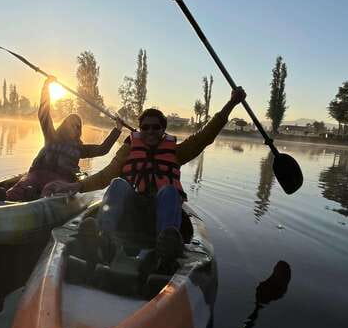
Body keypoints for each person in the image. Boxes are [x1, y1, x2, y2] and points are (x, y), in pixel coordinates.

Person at [42, 87, 246, 266]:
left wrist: (231, 104)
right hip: (134, 209)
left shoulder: (175, 151)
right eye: (145, 127)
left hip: (161, 211)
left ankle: (165, 250)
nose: (150, 131)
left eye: (155, 127)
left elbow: (205, 136)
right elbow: (106, 175)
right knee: (118, 183)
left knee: (169, 191)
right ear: (140, 130)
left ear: (163, 129)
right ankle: (103, 240)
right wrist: (75, 186)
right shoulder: (129, 149)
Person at [4, 76, 123, 201]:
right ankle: (7, 197)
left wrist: (118, 129)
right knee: (21, 187)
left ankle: (37, 200)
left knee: (50, 189)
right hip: (36, 175)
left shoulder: (80, 149)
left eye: (77, 126)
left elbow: (102, 149)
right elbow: (43, 114)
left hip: (60, 180)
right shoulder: (51, 136)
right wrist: (47, 87)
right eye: (70, 123)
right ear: (63, 125)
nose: (73, 127)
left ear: (79, 131)